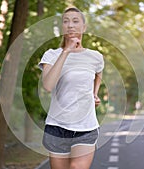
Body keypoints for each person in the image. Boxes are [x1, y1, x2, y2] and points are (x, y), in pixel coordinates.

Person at [38, 7, 104, 169]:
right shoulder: (51, 55)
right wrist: (66, 51)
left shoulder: (95, 57)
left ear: (84, 27)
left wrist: (94, 94)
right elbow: (47, 85)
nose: (70, 25)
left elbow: (98, 75)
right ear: (62, 27)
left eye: (75, 21)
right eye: (66, 21)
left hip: (86, 126)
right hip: (57, 127)